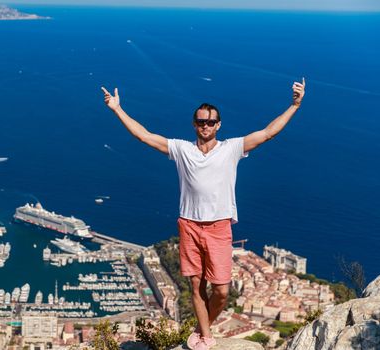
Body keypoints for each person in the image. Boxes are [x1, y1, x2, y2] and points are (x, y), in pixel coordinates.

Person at [101, 78, 306, 350]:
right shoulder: (182, 149)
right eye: (201, 122)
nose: (206, 126)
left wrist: (294, 105)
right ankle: (206, 338)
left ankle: (201, 329)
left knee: (221, 291)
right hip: (189, 225)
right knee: (196, 287)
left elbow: (268, 132)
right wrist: (117, 109)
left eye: (211, 122)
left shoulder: (232, 149)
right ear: (194, 124)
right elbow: (144, 136)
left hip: (219, 227)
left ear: (218, 124)